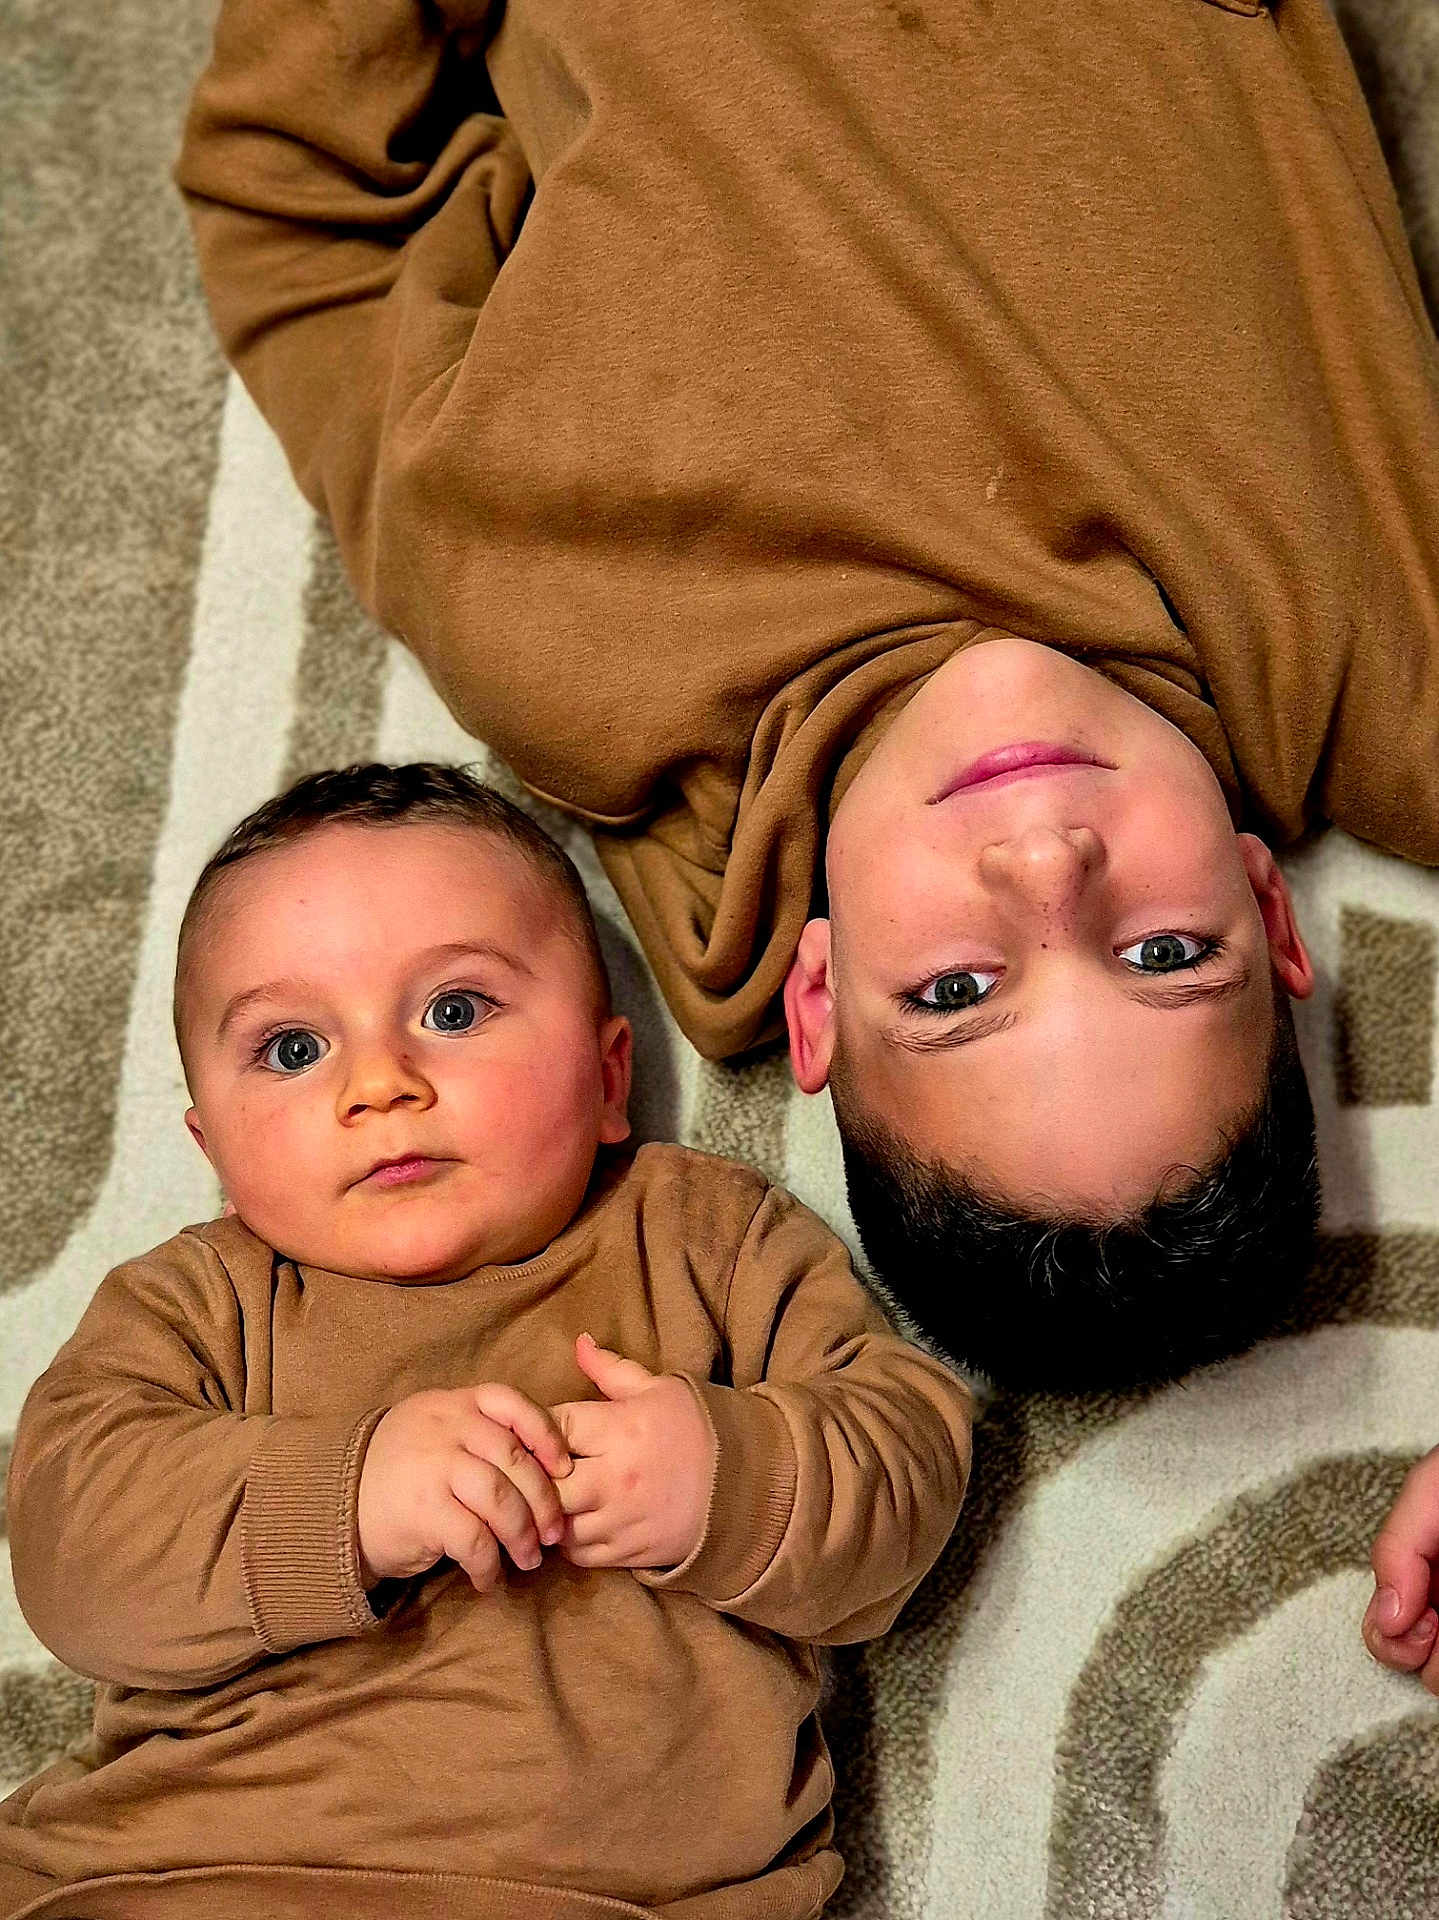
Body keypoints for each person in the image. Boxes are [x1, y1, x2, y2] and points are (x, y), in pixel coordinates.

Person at [175, 0, 1439, 1389]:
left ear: (818, 997)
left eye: (956, 986)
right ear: (1264, 909)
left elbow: (292, 213)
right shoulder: (1369, 660)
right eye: (1162, 954)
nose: (1045, 861)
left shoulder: (568, 652)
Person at [0, 762, 972, 1920]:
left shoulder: (700, 1235)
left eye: (452, 1012)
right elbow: (75, 1553)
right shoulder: (199, 1302)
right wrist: (346, 1497)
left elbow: (908, 1457)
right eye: (293, 1049)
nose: (379, 1083)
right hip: (189, 1872)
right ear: (214, 1152)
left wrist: (728, 1474)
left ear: (612, 1078)